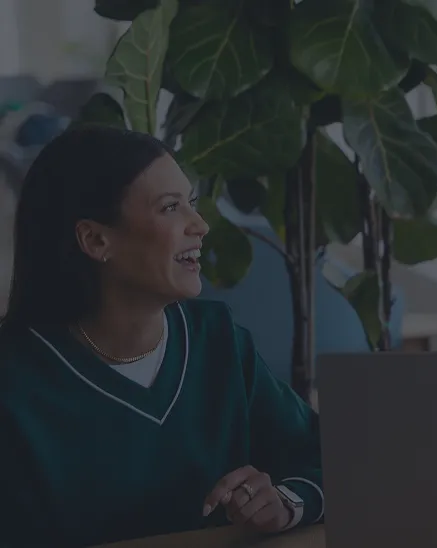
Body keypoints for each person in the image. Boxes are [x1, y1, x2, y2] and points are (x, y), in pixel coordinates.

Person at [0, 126, 324, 547]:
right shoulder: (15, 379)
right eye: (170, 208)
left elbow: (324, 453)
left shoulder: (217, 339)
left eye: (190, 202)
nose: (200, 224)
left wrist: (282, 501)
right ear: (96, 239)